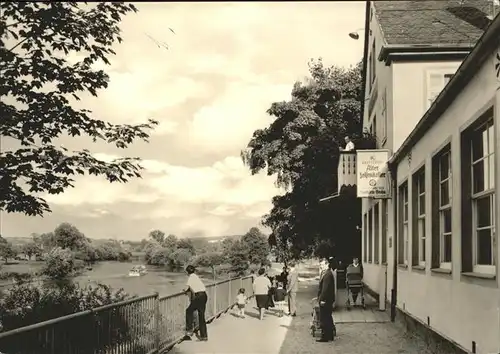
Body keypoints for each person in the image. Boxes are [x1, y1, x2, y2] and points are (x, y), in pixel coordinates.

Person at [183, 265, 208, 341]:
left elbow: (187, 287)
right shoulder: (196, 276)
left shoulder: (190, 277)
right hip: (204, 295)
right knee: (201, 315)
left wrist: (185, 291)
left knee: (188, 311)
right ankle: (204, 336)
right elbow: (194, 286)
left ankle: (189, 331)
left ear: (187, 272)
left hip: (198, 297)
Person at [316, 257, 337, 342]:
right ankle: (330, 335)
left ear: (327, 264)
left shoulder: (327, 274)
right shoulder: (326, 273)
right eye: (320, 265)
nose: (321, 266)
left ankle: (325, 337)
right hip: (328, 299)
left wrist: (321, 299)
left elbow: (325, 289)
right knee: (328, 316)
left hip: (326, 299)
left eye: (322, 265)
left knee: (324, 317)